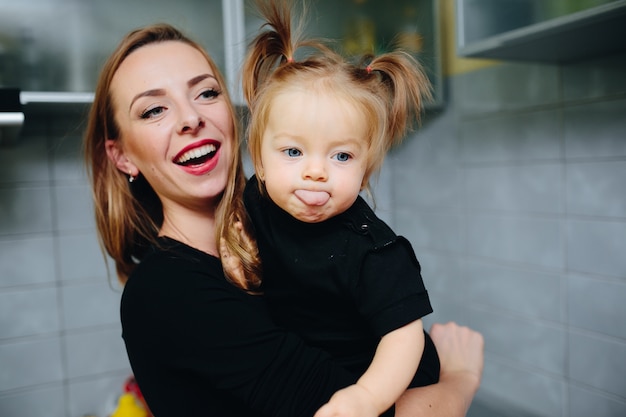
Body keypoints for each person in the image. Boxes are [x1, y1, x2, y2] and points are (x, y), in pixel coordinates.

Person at [84, 22, 483, 417]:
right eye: (154, 109)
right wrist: (460, 376)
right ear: (122, 156)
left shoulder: (274, 226)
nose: (190, 118)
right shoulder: (167, 292)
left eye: (206, 92)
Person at [232, 0, 437, 415]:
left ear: (365, 170)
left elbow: (405, 336)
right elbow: (234, 220)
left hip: (386, 376)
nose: (315, 172)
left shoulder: (373, 250)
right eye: (293, 151)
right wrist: (231, 248)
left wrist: (366, 398)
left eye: (341, 157)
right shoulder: (256, 197)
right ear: (260, 158)